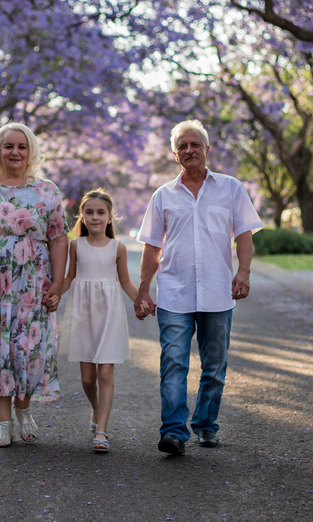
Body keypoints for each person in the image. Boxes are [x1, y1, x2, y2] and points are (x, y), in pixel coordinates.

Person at [134, 119, 263, 455]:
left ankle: (206, 425)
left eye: (194, 145)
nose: (189, 150)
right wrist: (144, 289)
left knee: (214, 365)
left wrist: (244, 272)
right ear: (175, 154)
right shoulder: (162, 196)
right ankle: (174, 431)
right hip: (174, 293)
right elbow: (151, 246)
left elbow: (244, 235)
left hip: (218, 292)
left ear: (207, 150)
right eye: (182, 147)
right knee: (173, 364)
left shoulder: (231, 188)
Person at [0, 122, 70, 447]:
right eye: (8, 146)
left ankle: (23, 408)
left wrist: (58, 283)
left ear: (30, 151)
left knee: (28, 349)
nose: (15, 152)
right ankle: (3, 422)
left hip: (32, 285)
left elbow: (59, 239)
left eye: (21, 146)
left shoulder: (47, 191)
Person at [61, 189, 138, 454]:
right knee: (86, 378)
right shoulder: (75, 246)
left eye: (100, 212)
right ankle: (95, 408)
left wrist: (143, 301)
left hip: (109, 315)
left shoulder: (118, 248)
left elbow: (126, 282)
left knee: (105, 372)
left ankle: (102, 430)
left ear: (110, 217)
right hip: (82, 314)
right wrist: (49, 294)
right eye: (89, 212)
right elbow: (69, 277)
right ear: (82, 215)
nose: (94, 217)